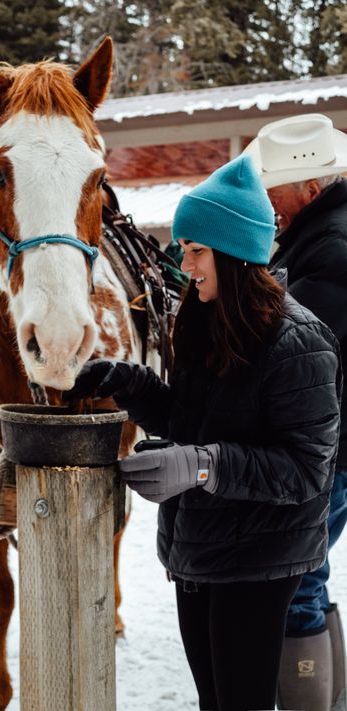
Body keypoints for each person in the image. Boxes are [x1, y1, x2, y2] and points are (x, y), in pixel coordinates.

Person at [63, 154, 342, 711]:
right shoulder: (203, 322)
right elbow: (190, 424)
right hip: (198, 550)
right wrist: (129, 382)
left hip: (261, 556)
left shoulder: (298, 342)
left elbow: (305, 470)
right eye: (184, 249)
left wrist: (200, 465)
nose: (183, 264)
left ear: (235, 253)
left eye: (195, 251)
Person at [244, 113, 347, 711]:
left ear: (309, 186)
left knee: (296, 582)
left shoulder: (331, 249)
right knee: (313, 574)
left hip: (324, 452)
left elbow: (296, 355)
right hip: (331, 447)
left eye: (273, 189)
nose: (266, 203)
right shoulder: (317, 238)